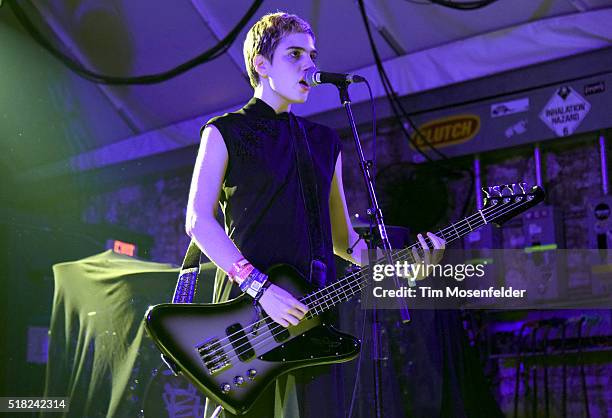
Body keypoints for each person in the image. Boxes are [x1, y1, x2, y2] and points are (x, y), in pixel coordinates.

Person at [185, 12, 445, 417]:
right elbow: (198, 221)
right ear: (261, 65)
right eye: (294, 54)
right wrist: (261, 289)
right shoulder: (224, 131)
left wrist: (408, 268)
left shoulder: (325, 141)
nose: (310, 65)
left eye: (312, 55)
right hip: (249, 310)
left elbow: (344, 243)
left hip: (314, 312)